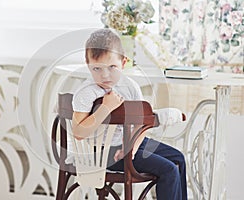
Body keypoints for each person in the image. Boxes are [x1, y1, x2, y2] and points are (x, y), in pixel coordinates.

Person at [71, 28, 187, 200]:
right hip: (104, 153)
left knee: (178, 159)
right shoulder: (87, 92)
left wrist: (131, 148)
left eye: (112, 67)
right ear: (88, 65)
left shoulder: (130, 86)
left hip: (132, 142)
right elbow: (79, 133)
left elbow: (141, 124)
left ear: (123, 63)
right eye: (97, 68)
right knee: (168, 169)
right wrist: (106, 108)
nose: (105, 75)